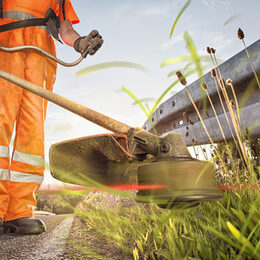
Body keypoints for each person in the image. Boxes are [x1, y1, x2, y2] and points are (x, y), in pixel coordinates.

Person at [0, 0, 103, 234]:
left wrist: (80, 42)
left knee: (32, 133)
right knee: (0, 124)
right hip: (5, 47)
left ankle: (19, 211)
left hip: (41, 56)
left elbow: (64, 28)